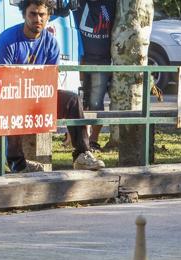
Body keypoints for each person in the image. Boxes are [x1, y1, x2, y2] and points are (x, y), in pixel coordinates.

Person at [0, 0, 105, 172]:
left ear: (48, 17)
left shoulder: (51, 42)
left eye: (41, 15)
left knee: (72, 100)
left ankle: (82, 155)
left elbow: (51, 82)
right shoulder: (7, 40)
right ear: (24, 15)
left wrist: (69, 120)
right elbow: (1, 81)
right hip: (13, 97)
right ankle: (16, 162)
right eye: (32, 14)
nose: (37, 19)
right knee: (12, 106)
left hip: (40, 97)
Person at [71, 0, 116, 151]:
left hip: (102, 61)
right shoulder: (78, 3)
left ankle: (94, 140)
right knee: (78, 102)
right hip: (80, 59)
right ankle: (78, 139)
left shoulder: (112, 4)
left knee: (96, 102)